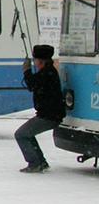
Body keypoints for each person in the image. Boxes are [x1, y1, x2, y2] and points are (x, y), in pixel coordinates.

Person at [15, 44, 66, 173]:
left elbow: (32, 84)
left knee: (21, 134)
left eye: (35, 60)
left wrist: (26, 71)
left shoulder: (47, 73)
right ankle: (40, 162)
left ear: (41, 60)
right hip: (49, 114)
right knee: (27, 134)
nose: (35, 63)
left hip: (48, 116)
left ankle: (36, 163)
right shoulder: (48, 71)